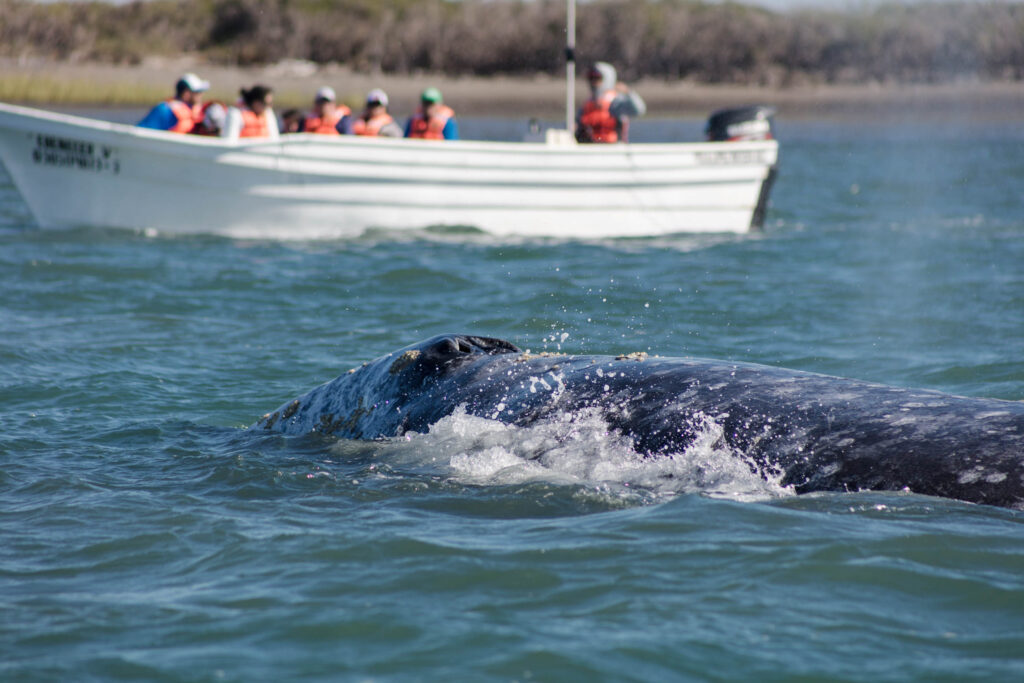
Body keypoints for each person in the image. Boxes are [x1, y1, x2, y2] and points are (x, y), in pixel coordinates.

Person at [576, 62, 646, 143]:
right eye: (591, 78)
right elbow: (576, 125)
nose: (593, 82)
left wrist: (628, 92)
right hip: (592, 148)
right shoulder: (587, 105)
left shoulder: (616, 102)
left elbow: (639, 110)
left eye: (597, 78)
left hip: (614, 148)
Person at [136, 73, 210, 134]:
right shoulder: (164, 110)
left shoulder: (199, 111)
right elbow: (141, 132)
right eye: (198, 92)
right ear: (186, 93)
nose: (201, 95)